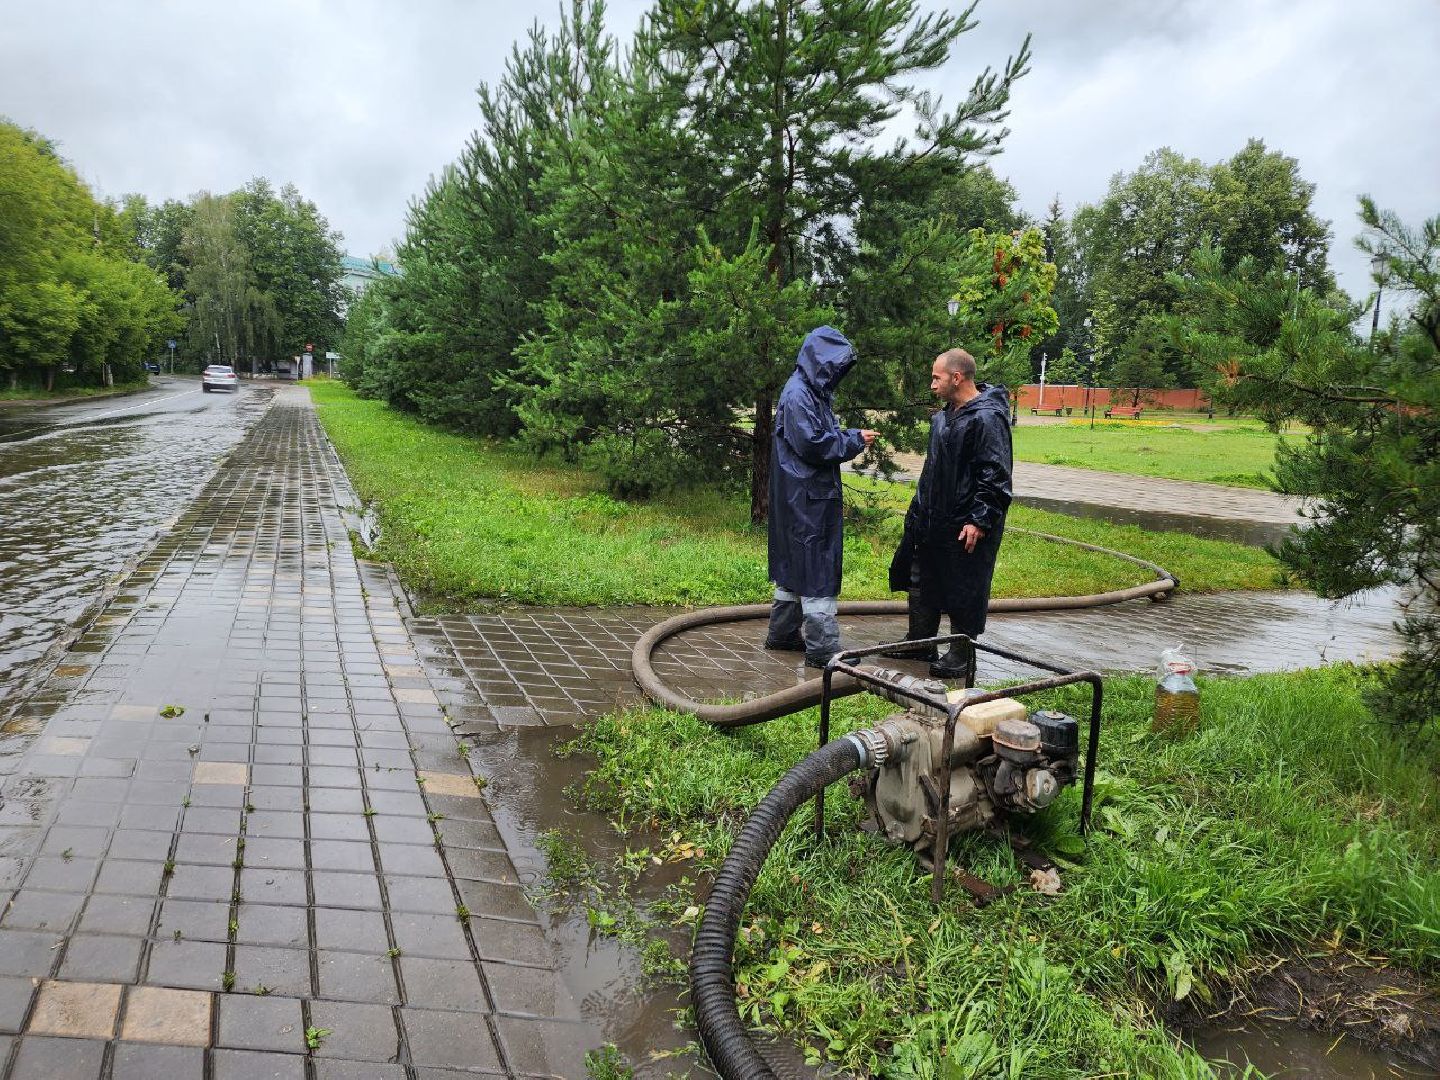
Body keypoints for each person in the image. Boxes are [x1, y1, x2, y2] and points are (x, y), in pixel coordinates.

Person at [887, 348, 1012, 679]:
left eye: (936, 377)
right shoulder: (943, 418)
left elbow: (996, 475)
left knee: (964, 585)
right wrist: (918, 511)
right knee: (921, 574)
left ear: (957, 377)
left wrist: (979, 519)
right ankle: (920, 641)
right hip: (933, 518)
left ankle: (961, 655)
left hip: (965, 523)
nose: (931, 384)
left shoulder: (986, 418)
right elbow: (932, 471)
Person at [765, 326, 879, 668]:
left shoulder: (807, 392)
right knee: (816, 570)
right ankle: (823, 650)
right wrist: (854, 439)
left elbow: (816, 436)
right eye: (834, 365)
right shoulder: (800, 395)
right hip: (807, 498)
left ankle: (783, 635)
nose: (836, 374)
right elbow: (815, 444)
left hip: (801, 495)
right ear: (820, 360)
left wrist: (848, 434)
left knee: (794, 567)